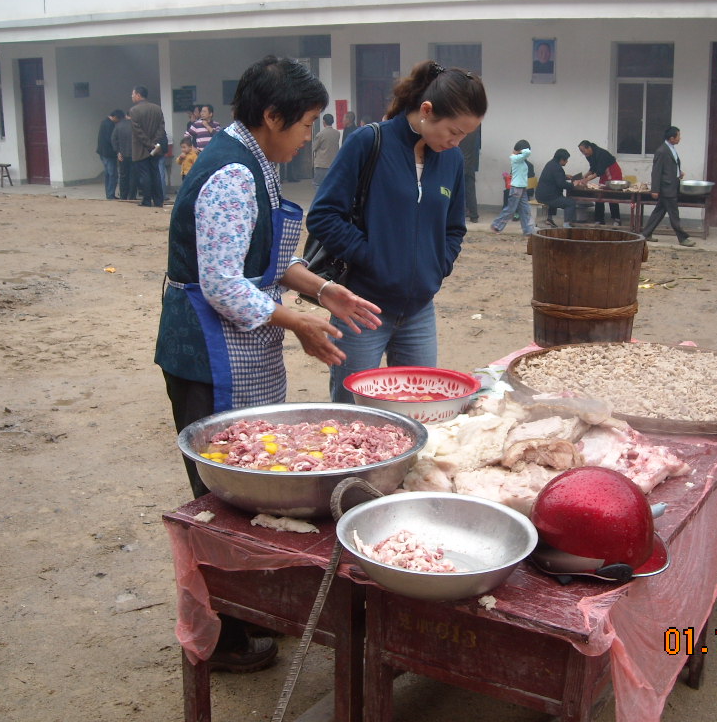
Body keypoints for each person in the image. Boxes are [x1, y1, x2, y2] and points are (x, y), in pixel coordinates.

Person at [155, 56, 381, 672]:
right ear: (271, 116)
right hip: (205, 352)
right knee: (222, 495)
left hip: (237, 343)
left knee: (253, 478)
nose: (310, 135)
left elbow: (267, 260)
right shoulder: (231, 174)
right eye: (306, 123)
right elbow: (226, 283)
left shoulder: (257, 162)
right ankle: (221, 637)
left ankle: (252, 608)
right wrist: (298, 322)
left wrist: (322, 292)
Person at [307, 60, 486, 404]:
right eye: (453, 131)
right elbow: (324, 216)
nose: (457, 141)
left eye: (465, 134)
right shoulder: (368, 143)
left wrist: (438, 266)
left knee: (419, 412)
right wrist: (373, 259)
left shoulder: (451, 161)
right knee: (354, 416)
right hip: (361, 310)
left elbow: (453, 228)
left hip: (420, 311)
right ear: (426, 110)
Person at [641, 126, 695, 247]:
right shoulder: (662, 151)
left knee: (659, 212)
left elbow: (670, 166)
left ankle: (645, 234)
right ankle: (683, 238)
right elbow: (656, 172)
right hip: (667, 188)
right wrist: (654, 190)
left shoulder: (671, 149)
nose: (680, 138)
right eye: (678, 136)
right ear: (671, 138)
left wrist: (678, 172)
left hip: (672, 185)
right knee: (674, 214)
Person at [129, 85, 167, 208]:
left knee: (145, 175)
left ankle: (146, 200)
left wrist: (148, 144)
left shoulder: (134, 110)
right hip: (155, 148)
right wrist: (154, 144)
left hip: (141, 148)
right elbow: (161, 128)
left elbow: (137, 131)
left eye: (133, 94)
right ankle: (158, 200)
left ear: (139, 95)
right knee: (155, 173)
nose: (132, 96)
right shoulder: (157, 108)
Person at [491, 140, 536, 235]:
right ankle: (496, 225)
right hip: (516, 188)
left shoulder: (521, 159)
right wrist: (519, 151)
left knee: (525, 210)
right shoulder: (515, 158)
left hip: (522, 188)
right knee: (511, 209)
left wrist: (520, 151)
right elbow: (528, 152)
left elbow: (527, 153)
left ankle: (528, 230)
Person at [578, 139, 623, 225]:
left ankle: (616, 219)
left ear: (589, 147)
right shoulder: (589, 155)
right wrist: (584, 176)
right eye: (582, 152)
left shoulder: (601, 154)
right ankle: (599, 220)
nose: (584, 154)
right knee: (599, 194)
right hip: (604, 175)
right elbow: (593, 168)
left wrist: (586, 180)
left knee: (611, 195)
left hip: (612, 172)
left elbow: (599, 171)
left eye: (584, 151)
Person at [536, 148, 577, 228]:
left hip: (541, 194)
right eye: (566, 160)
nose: (567, 162)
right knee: (571, 203)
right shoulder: (558, 168)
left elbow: (554, 177)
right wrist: (573, 185)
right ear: (562, 159)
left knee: (558, 196)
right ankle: (567, 225)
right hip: (548, 197)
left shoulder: (550, 164)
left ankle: (549, 219)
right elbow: (561, 184)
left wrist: (565, 176)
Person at [96, 109, 123, 200]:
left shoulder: (104, 122)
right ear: (115, 117)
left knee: (108, 174)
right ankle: (110, 194)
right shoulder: (110, 125)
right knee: (113, 174)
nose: (118, 122)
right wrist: (118, 150)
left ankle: (109, 193)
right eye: (118, 120)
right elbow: (111, 139)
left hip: (102, 152)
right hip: (108, 153)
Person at [311, 112, 341, 189]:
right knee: (331, 184)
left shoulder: (320, 134)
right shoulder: (337, 133)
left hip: (322, 164)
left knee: (318, 184)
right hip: (333, 163)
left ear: (324, 122)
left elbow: (314, 147)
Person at [112, 113, 137, 201]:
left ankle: (123, 195)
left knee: (123, 176)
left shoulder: (118, 125)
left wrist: (118, 152)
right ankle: (132, 196)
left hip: (122, 155)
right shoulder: (136, 125)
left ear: (126, 115)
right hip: (135, 155)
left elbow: (113, 139)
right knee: (133, 176)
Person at [458, 127, 480, 222]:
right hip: (470, 164)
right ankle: (474, 216)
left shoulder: (458, 130)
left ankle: (459, 214)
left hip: (459, 163)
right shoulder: (473, 128)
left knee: (458, 191)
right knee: (471, 190)